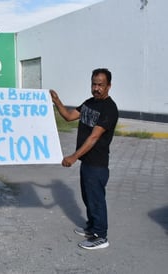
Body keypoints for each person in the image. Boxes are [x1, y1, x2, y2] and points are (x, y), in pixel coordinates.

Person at [50, 68, 118, 250]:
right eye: (94, 84)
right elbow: (69, 116)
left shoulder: (109, 109)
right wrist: (57, 101)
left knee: (96, 199)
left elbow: (94, 137)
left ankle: (101, 236)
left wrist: (73, 156)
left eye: (100, 85)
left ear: (109, 86)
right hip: (87, 162)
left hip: (98, 164)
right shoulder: (89, 103)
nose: (96, 88)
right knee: (88, 197)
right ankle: (92, 228)